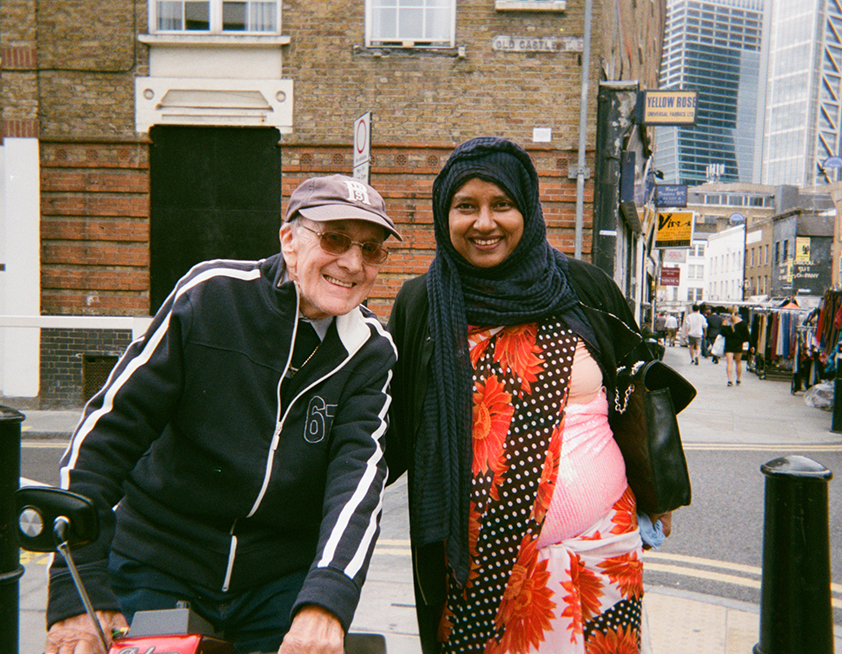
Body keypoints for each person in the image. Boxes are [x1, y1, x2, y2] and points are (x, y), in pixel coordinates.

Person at [45, 175, 401, 654]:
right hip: (161, 559)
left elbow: (357, 484)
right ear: (289, 240)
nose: (352, 263)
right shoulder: (213, 295)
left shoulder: (371, 351)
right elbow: (107, 432)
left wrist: (326, 602)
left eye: (372, 249)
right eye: (335, 238)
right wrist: (78, 584)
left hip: (278, 580)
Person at [385, 137, 673, 654]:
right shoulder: (422, 303)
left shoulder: (584, 287)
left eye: (502, 205)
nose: (484, 223)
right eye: (465, 207)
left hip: (601, 550)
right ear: (443, 214)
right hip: (478, 572)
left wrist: (662, 488)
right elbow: (392, 427)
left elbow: (640, 386)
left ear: (529, 210)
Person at [721, 308, 751, 386]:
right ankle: (738, 379)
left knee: (729, 363)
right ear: (738, 312)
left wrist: (723, 326)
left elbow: (722, 333)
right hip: (738, 344)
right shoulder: (743, 323)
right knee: (738, 362)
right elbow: (747, 336)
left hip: (729, 344)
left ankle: (730, 380)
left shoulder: (726, 322)